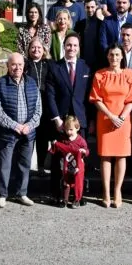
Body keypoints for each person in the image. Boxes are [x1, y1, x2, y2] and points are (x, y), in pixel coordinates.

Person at [89, 44, 132, 208]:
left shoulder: (129, 74)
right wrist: (111, 116)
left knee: (121, 156)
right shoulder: (99, 75)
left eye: (117, 54)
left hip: (123, 120)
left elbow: (131, 99)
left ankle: (117, 191)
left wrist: (121, 117)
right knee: (105, 156)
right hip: (105, 118)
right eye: (111, 54)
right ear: (107, 56)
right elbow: (96, 99)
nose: (114, 58)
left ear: (122, 56)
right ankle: (106, 192)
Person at [0, 52, 41, 208]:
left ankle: (22, 193)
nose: (17, 67)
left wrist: (29, 126)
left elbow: (38, 109)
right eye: (13, 64)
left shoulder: (32, 83)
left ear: (24, 66)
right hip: (7, 133)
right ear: (8, 66)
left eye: (20, 64)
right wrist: (15, 126)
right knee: (4, 165)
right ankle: (2, 194)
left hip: (28, 133)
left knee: (24, 165)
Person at [45, 34, 90, 203]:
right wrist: (56, 118)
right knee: (59, 160)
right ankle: (57, 194)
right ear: (64, 46)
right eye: (69, 45)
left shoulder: (86, 67)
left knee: (80, 159)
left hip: (80, 122)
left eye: (75, 45)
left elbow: (88, 97)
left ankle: (78, 195)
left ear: (79, 48)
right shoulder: (54, 67)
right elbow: (50, 95)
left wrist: (90, 120)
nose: (72, 48)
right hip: (61, 122)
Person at [48, 115, 89, 208]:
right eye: (66, 130)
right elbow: (55, 149)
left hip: (77, 166)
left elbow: (87, 151)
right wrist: (54, 144)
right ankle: (64, 199)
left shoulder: (81, 140)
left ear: (77, 128)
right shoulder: (63, 139)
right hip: (66, 165)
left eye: (71, 129)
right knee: (66, 182)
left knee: (77, 182)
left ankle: (77, 199)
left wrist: (83, 151)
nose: (69, 132)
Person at [25, 38, 51, 175]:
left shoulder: (49, 64)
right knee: (28, 139)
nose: (36, 50)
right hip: (29, 107)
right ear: (29, 50)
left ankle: (41, 166)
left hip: (45, 107)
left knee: (43, 138)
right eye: (33, 47)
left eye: (39, 47)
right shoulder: (25, 64)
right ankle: (25, 167)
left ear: (43, 50)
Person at [74, 0, 106, 71]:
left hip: (98, 62)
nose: (90, 10)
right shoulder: (79, 24)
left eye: (92, 7)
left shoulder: (102, 24)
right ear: (84, 8)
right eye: (87, 7)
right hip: (83, 62)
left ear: (96, 7)